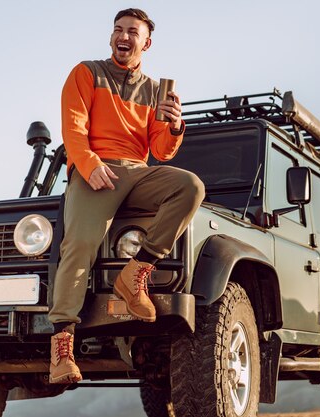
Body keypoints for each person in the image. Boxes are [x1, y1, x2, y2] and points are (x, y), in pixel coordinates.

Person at [47, 8, 205, 384]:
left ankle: (136, 273)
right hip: (96, 170)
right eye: (118, 29)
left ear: (145, 42)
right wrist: (88, 164)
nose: (123, 36)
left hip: (137, 170)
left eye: (132, 31)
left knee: (190, 186)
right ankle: (62, 346)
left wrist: (176, 125)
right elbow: (73, 127)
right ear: (111, 37)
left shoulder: (154, 89)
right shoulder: (86, 72)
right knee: (80, 242)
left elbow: (161, 151)